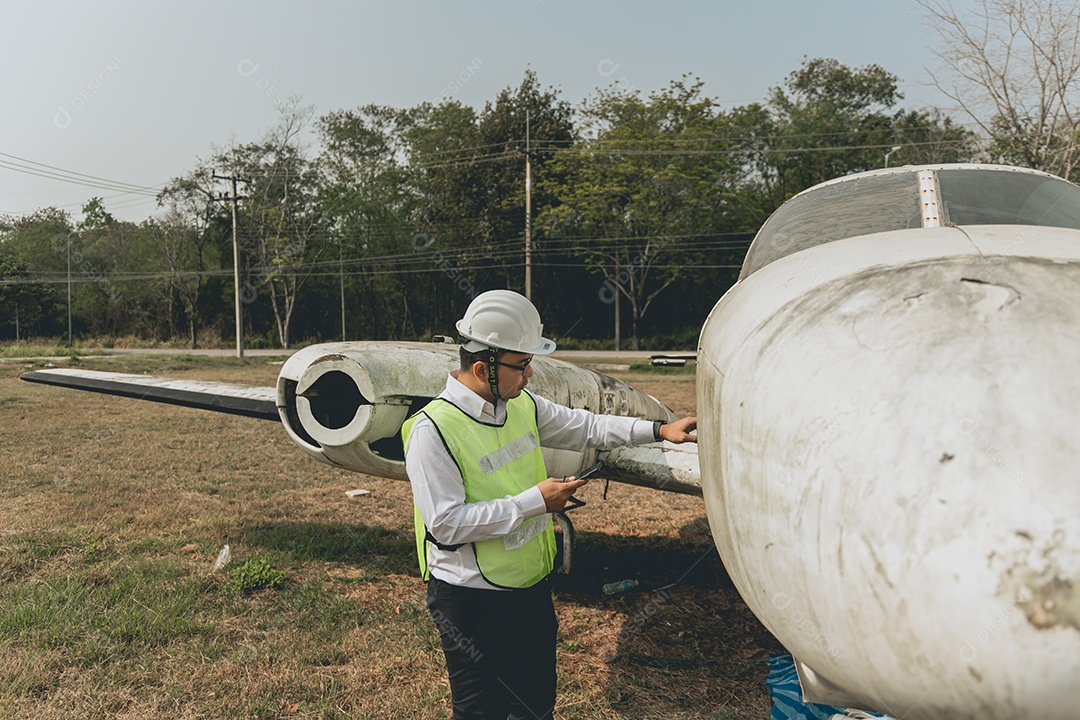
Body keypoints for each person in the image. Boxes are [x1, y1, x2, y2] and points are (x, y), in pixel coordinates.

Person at [401, 289, 697, 719]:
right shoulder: (432, 430)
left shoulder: (519, 404)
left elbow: (587, 427)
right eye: (521, 365)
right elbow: (446, 525)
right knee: (480, 711)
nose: (530, 374)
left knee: (535, 704)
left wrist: (658, 429)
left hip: (530, 586)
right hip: (471, 600)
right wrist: (535, 502)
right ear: (484, 367)